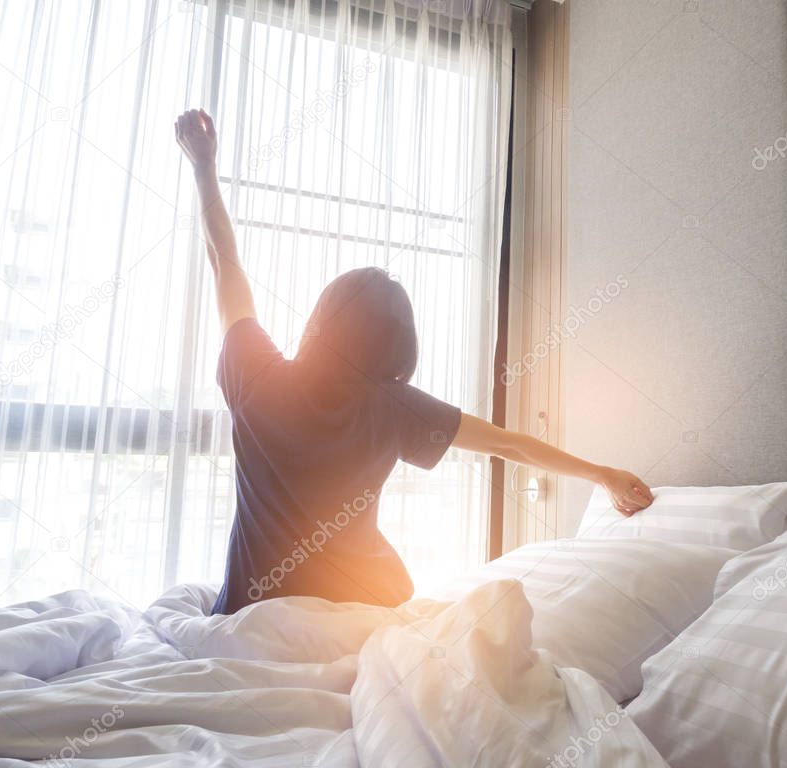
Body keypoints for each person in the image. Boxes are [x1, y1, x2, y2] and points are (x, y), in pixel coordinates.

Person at [175, 109, 653, 615]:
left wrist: (204, 165)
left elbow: (225, 263)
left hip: (248, 610)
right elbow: (507, 443)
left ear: (321, 318)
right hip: (358, 611)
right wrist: (601, 473)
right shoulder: (393, 407)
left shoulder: (256, 375)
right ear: (398, 346)